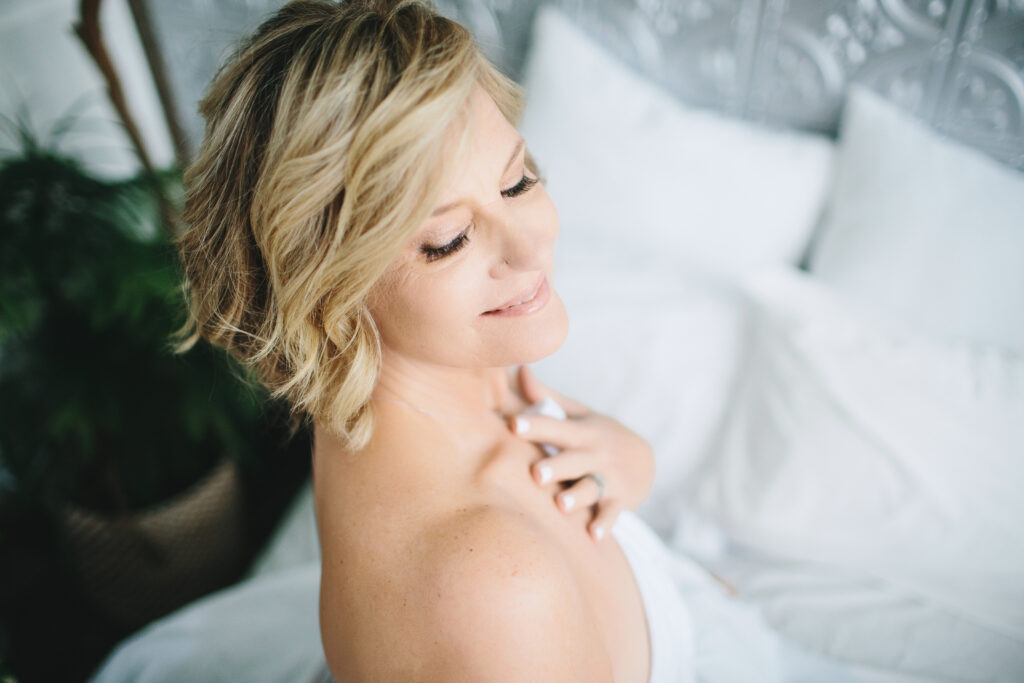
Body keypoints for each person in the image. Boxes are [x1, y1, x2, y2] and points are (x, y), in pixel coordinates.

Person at [172, 2, 864, 682]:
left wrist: (635, 464)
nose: (530, 243)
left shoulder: (449, 375)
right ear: (331, 290)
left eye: (517, 179)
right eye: (448, 241)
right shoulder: (493, 590)